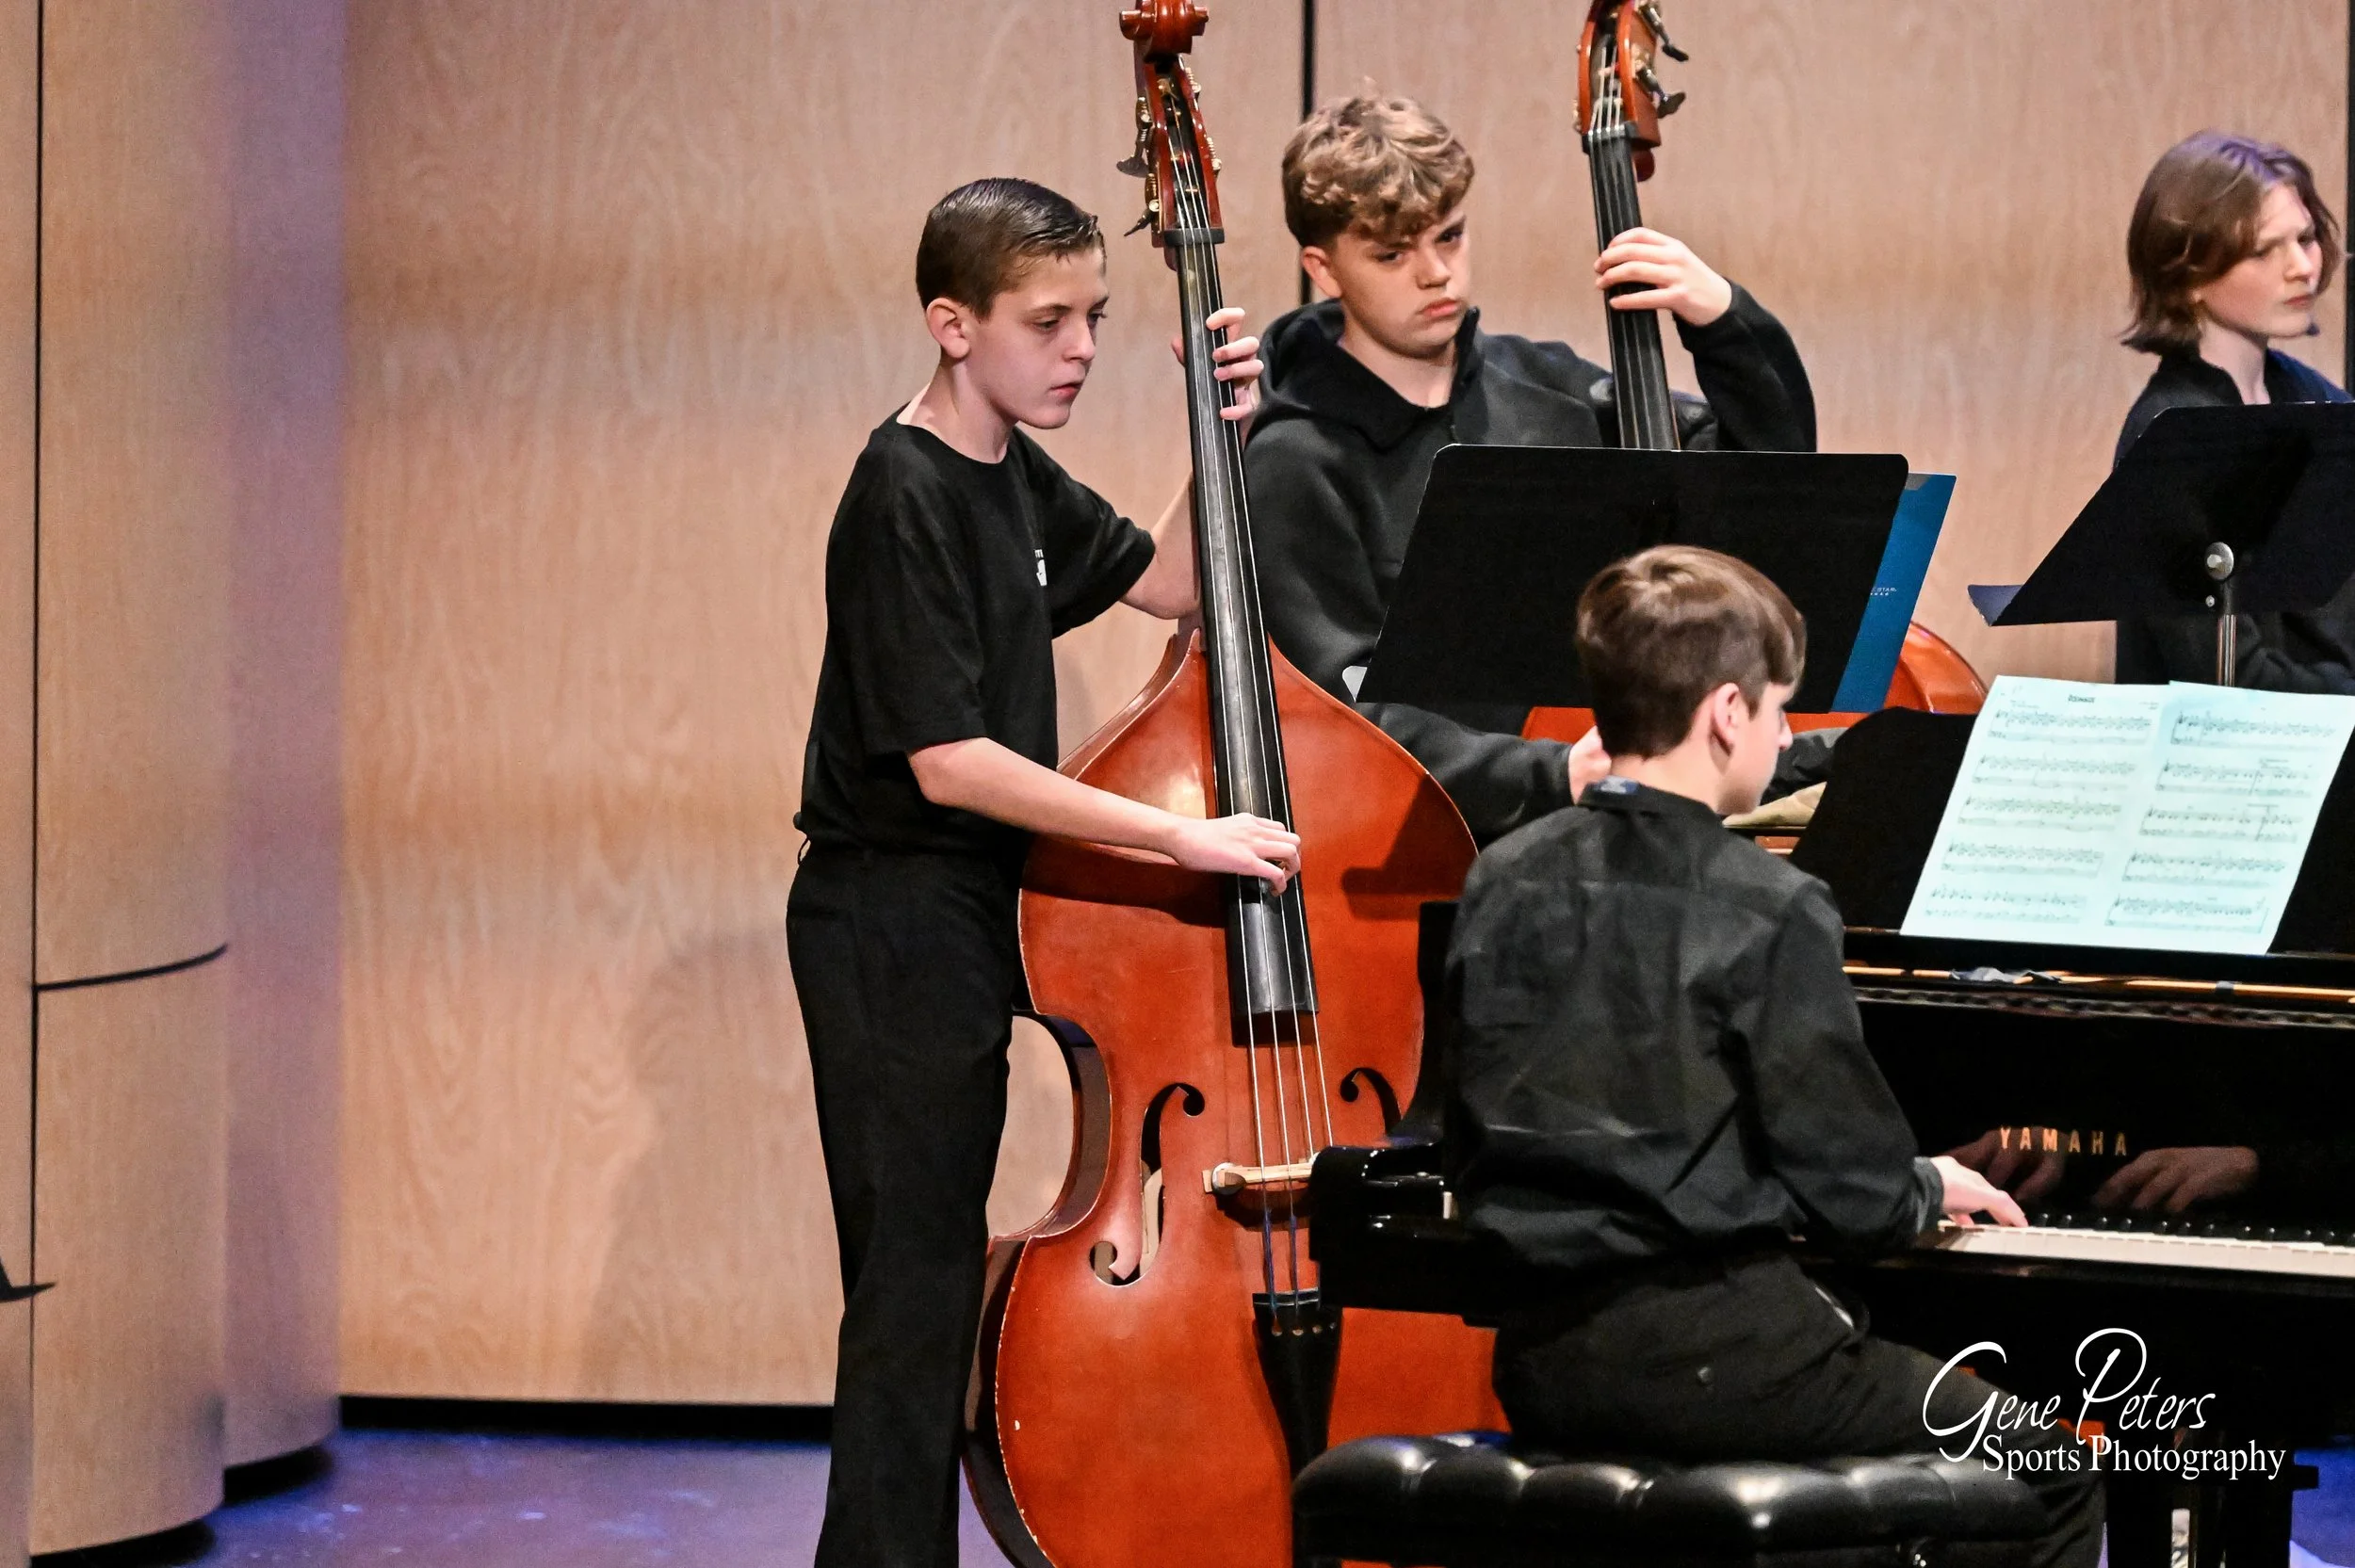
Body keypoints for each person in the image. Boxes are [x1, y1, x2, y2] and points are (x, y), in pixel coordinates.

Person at [788, 176, 1295, 1568]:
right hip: (889, 909)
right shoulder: (902, 485)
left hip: (977, 896)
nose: (1079, 348)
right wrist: (1181, 837)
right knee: (914, 1288)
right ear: (954, 326)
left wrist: (1222, 430)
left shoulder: (1011, 462)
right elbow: (949, 761)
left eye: (1096, 319)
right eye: (1047, 320)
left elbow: (1176, 581)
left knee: (932, 1283)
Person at [1442, 545, 2103, 1568]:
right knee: (2048, 1467)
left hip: (1541, 1358)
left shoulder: (1501, 873)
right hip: (1725, 1361)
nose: (1785, 734)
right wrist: (1926, 1181)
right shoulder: (1767, 903)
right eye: (1779, 708)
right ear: (1724, 715)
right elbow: (1855, 1192)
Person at [1244, 93, 1820, 842]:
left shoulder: (1553, 388)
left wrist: (1723, 320)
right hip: (1441, 852)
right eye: (1391, 254)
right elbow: (1340, 714)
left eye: (1449, 237)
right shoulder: (1293, 458)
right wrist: (1551, 774)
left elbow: (1765, 476)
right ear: (1322, 268)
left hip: (1631, 816)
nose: (1435, 274)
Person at [2114, 131, 2352, 689]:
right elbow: (2224, 674)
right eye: (2265, 250)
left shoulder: (2322, 403)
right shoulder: (2170, 432)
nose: (2302, 267)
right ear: (2190, 275)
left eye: (2307, 238)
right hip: (2223, 757)